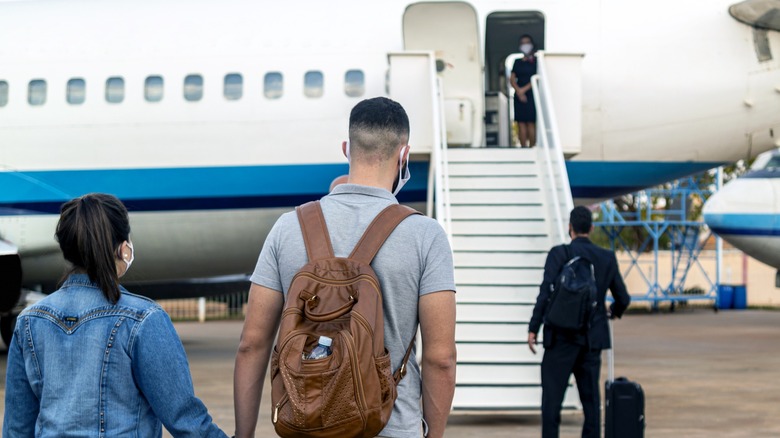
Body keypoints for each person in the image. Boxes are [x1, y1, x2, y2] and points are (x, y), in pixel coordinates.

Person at [233, 97, 457, 438]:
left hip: (307, 425)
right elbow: (441, 358)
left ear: (346, 150)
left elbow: (252, 343)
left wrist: (244, 435)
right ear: (404, 156)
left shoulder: (287, 227)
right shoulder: (425, 236)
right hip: (391, 427)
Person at [3, 193, 227, 438]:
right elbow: (185, 420)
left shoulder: (28, 321)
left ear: (66, 250)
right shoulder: (143, 318)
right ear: (123, 248)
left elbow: (17, 428)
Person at [527, 206, 632, 438]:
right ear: (591, 229)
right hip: (591, 341)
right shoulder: (606, 258)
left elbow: (545, 293)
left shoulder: (558, 254)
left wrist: (533, 328)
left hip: (559, 340)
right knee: (591, 405)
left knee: (552, 404)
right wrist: (612, 312)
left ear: (570, 228)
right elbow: (623, 298)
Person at [509, 34, 537, 147]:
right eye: (523, 43)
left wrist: (523, 90)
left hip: (531, 94)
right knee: (521, 122)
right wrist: (518, 91)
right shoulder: (517, 62)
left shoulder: (536, 62)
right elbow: (512, 79)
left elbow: (536, 78)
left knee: (531, 122)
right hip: (518, 94)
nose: (525, 45)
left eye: (527, 42)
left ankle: (532, 147)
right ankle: (523, 147)